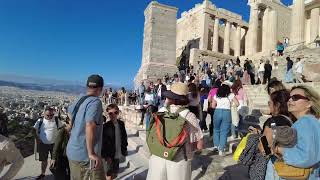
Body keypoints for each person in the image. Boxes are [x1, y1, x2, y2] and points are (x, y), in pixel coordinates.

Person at [146, 82, 204, 180]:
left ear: (170, 98)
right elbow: (199, 145)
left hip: (157, 157)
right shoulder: (189, 116)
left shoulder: (160, 112)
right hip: (178, 159)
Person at [265, 85, 320, 180]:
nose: (290, 100)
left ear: (309, 104)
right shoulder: (309, 122)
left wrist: (278, 149)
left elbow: (307, 156)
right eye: (289, 98)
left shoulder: (306, 122)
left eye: (295, 98)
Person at [66, 74, 105, 180]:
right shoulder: (95, 102)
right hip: (85, 156)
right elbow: (90, 124)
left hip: (73, 150)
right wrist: (91, 153)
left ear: (87, 86)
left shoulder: (79, 99)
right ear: (100, 88)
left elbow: (69, 115)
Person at [34, 106, 63, 180]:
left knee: (54, 160)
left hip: (54, 144)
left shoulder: (56, 120)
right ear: (44, 114)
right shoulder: (40, 121)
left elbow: (61, 129)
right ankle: (43, 174)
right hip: (43, 144)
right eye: (48, 115)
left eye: (51, 115)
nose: (50, 117)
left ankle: (56, 174)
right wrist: (38, 139)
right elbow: (35, 130)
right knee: (44, 161)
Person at [211, 83, 239, 156]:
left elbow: (213, 106)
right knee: (224, 131)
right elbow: (237, 103)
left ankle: (216, 146)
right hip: (227, 112)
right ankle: (221, 149)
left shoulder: (216, 95)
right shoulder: (230, 95)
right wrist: (230, 104)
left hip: (217, 112)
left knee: (216, 129)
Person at [102, 104, 128, 180]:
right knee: (109, 175)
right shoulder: (106, 126)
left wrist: (124, 149)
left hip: (117, 154)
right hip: (109, 155)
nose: (113, 115)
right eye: (110, 113)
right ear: (108, 114)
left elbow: (124, 137)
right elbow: (103, 142)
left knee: (115, 174)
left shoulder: (121, 124)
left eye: (115, 112)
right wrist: (106, 156)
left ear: (118, 113)